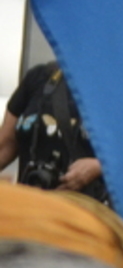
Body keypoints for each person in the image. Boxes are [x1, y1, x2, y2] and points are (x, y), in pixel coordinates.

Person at [1, 60, 106, 202]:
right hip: (31, 207)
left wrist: (99, 166)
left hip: (86, 213)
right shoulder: (39, 77)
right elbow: (6, 144)